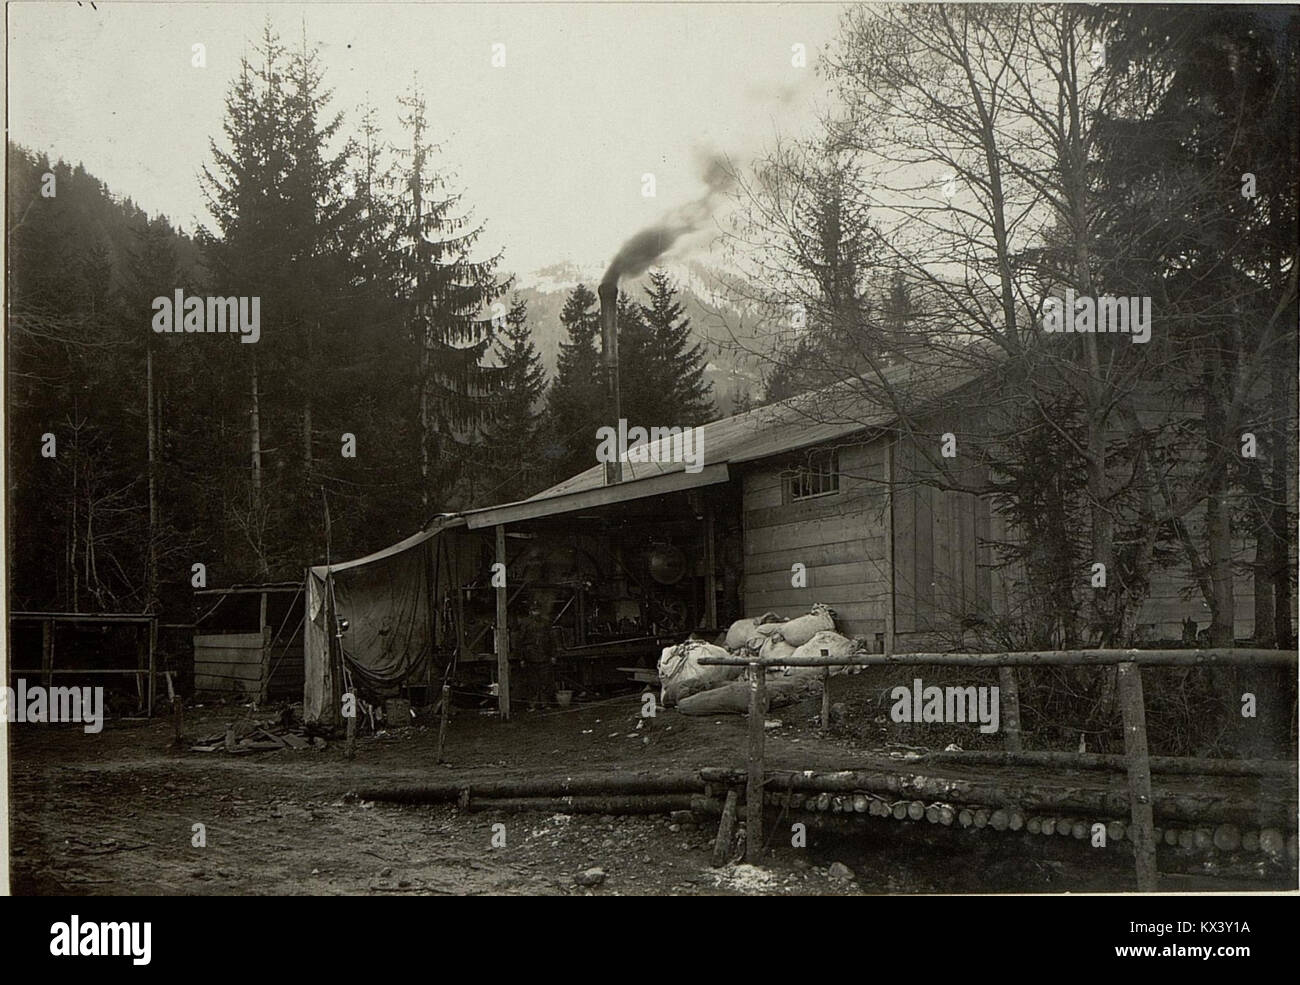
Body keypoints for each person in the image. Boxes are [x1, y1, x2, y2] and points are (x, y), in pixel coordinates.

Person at [515, 601, 556, 711]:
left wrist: (552, 655)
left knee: (544, 682)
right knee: (533, 683)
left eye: (537, 610)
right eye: (534, 610)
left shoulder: (544, 623)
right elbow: (520, 642)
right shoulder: (526, 624)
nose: (536, 613)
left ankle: (543, 703)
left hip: (541, 656)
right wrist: (522, 658)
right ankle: (535, 704)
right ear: (530, 611)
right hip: (532, 657)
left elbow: (551, 640)